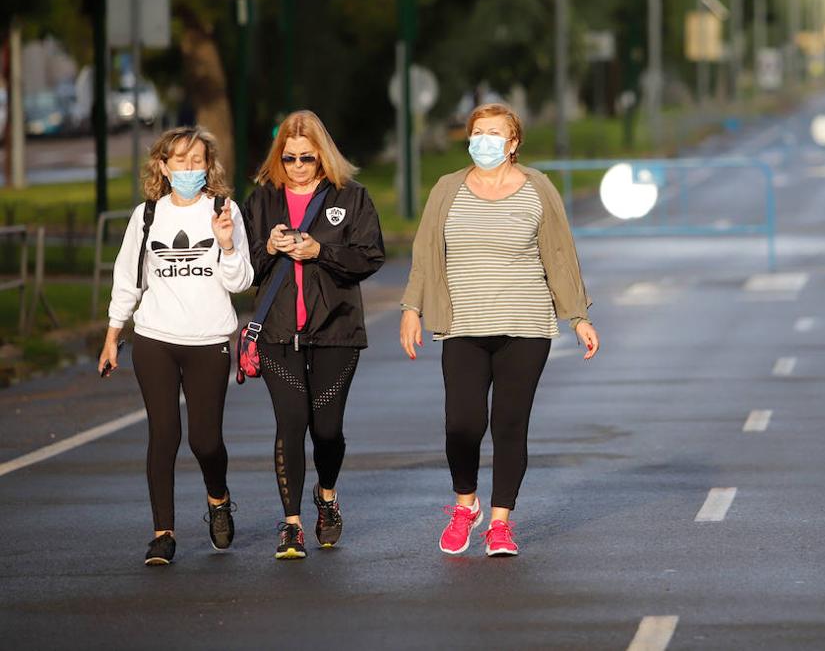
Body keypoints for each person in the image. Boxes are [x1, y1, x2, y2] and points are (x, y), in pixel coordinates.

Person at [400, 103, 598, 558]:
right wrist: (412, 308)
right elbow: (426, 253)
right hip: (463, 324)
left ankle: (500, 522)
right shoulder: (448, 189)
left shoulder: (538, 189)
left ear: (513, 143)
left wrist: (578, 316)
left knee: (510, 424)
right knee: (463, 424)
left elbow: (559, 256)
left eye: (495, 133)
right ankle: (464, 504)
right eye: (477, 132)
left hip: (526, 323)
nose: (484, 140)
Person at [99, 126, 253, 565]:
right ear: (163, 166)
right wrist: (113, 337)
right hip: (154, 339)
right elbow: (127, 280)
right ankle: (163, 533)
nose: (189, 168)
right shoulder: (147, 216)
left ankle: (218, 498)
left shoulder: (225, 210)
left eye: (197, 160)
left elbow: (241, 283)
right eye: (180, 160)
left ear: (209, 166)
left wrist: (225, 244)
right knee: (163, 434)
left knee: (205, 441)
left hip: (208, 339)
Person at [243, 111, 384, 560]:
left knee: (326, 429)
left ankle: (326, 496)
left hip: (336, 330)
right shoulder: (262, 200)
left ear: (323, 155)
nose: (299, 166)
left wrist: (321, 250)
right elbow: (239, 267)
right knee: (291, 423)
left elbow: (371, 256)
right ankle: (291, 525)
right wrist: (267, 247)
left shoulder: (352, 196)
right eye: (289, 159)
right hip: (277, 333)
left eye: (307, 157)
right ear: (278, 158)